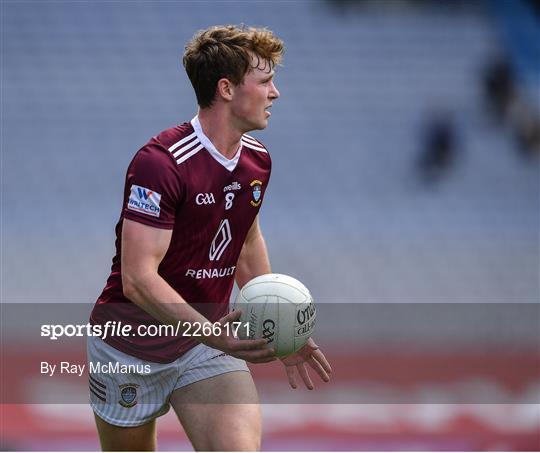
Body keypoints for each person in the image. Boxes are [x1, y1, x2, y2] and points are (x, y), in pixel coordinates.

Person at [87, 25, 332, 451]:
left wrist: (277, 321)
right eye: (265, 80)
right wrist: (211, 333)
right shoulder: (160, 163)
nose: (275, 93)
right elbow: (138, 280)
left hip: (206, 343)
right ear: (226, 89)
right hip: (130, 347)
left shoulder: (257, 160)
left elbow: (246, 238)